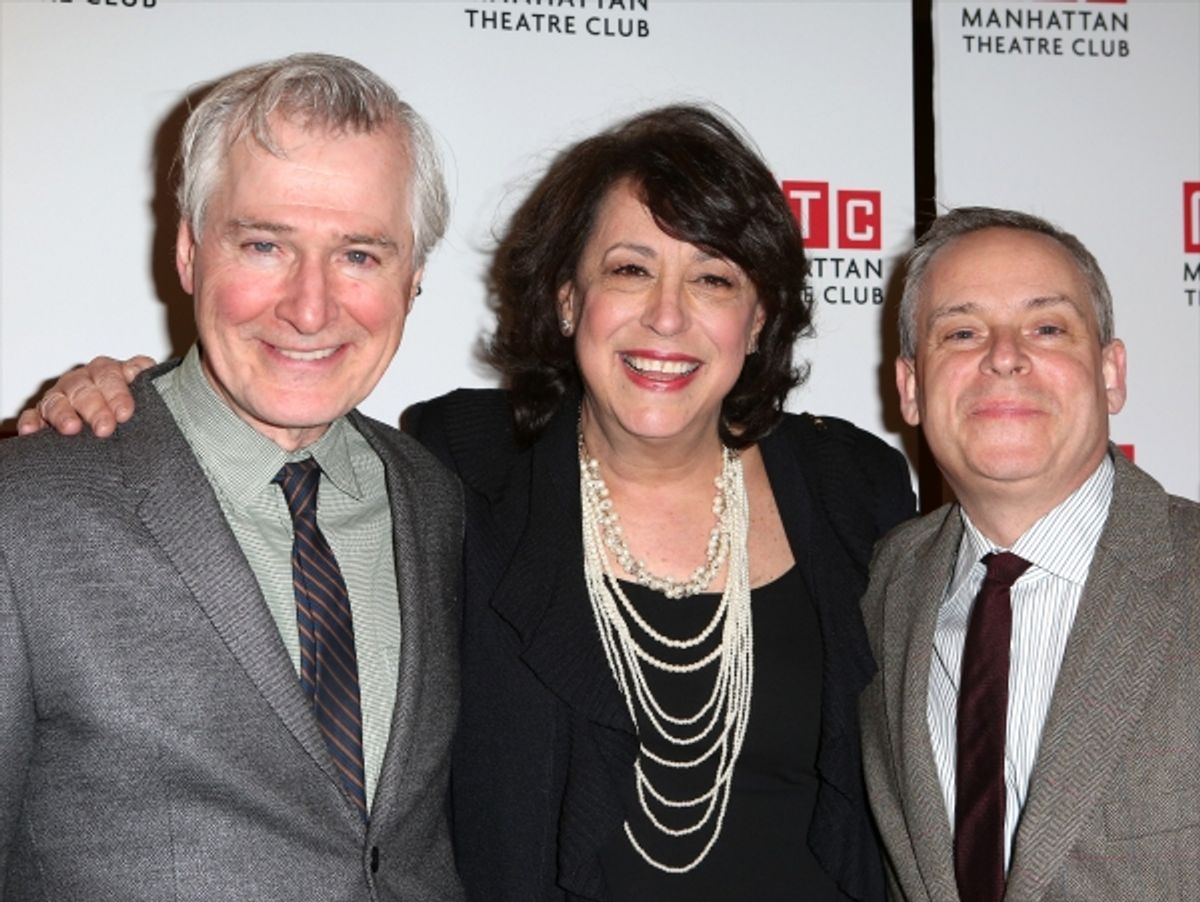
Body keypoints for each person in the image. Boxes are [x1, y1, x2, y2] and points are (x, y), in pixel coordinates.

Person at [21, 106, 916, 901]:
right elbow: (248, 407)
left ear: (758, 318)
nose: (668, 318)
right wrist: (120, 394)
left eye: (714, 279)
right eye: (631, 270)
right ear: (569, 300)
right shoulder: (468, 466)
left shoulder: (856, 489)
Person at [0, 54, 464, 900]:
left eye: (359, 254)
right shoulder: (23, 512)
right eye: (263, 244)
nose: (310, 307)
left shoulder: (436, 498)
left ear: (415, 274)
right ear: (187, 250)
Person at [859, 206, 1200, 901]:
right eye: (961, 331)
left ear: (1111, 374)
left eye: (1047, 327)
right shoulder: (879, 587)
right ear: (911, 389)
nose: (1005, 355)